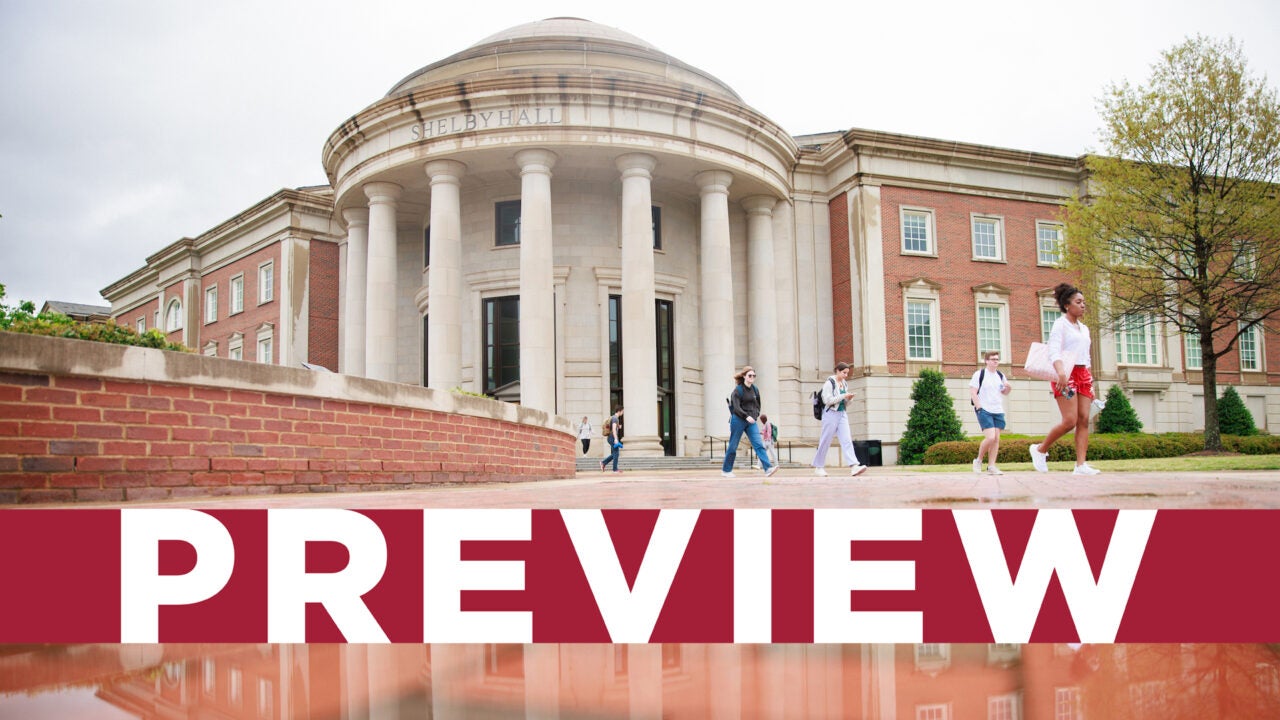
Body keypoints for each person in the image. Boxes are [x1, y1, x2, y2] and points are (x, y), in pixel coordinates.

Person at [1030, 283, 1100, 475]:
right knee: (1070, 420)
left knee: (1084, 419)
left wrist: (1091, 382)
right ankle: (1040, 449)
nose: (1083, 305)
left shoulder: (1084, 329)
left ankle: (1080, 465)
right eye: (1078, 302)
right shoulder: (1060, 324)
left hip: (1083, 374)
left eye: (1083, 302)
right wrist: (1061, 373)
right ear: (1067, 305)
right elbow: (1053, 351)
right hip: (1065, 374)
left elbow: (1086, 356)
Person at [812, 361, 867, 477]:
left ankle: (854, 466)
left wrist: (849, 399)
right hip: (830, 414)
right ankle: (818, 467)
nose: (846, 375)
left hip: (842, 413)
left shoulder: (844, 384)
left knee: (847, 440)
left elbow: (845, 403)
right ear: (837, 371)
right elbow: (827, 400)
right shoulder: (829, 383)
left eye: (847, 373)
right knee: (825, 440)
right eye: (844, 373)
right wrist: (843, 396)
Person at [722, 366, 778, 478]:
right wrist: (746, 416)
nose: (752, 377)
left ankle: (768, 469)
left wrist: (755, 415)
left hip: (751, 421)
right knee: (733, 445)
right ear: (744, 376)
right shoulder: (738, 390)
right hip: (738, 419)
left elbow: (758, 405)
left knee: (759, 444)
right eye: (750, 375)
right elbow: (736, 407)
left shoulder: (755, 389)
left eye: (754, 376)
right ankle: (726, 471)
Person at [970, 351, 1012, 475]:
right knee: (990, 437)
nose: (995, 361)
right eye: (993, 359)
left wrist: (1009, 387)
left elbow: (1004, 392)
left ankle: (991, 466)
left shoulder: (1000, 375)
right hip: (984, 409)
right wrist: (979, 407)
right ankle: (978, 460)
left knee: (996, 439)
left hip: (998, 410)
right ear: (987, 361)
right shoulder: (979, 374)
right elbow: (973, 392)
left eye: (997, 359)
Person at [599, 407, 624, 473]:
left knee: (615, 453)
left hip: (610, 437)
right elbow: (613, 429)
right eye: (622, 411)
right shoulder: (615, 418)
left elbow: (613, 427)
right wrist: (615, 439)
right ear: (619, 411)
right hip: (612, 437)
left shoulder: (613, 417)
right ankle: (615, 469)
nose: (622, 413)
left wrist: (618, 427)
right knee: (616, 453)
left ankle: (603, 463)